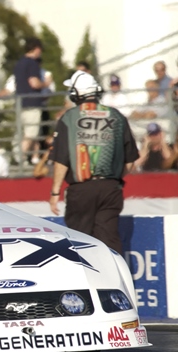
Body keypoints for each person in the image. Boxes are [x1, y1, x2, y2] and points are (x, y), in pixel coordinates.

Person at [49, 71, 139, 255]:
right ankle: (114, 281)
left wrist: (55, 191)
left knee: (79, 243)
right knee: (110, 242)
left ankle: (85, 281)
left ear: (76, 93)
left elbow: (61, 160)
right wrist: (111, 178)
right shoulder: (117, 116)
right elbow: (130, 163)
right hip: (110, 188)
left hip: (81, 190)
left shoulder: (69, 118)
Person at [14, 37, 49, 164]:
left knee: (32, 132)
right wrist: (46, 83)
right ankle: (20, 159)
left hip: (21, 103)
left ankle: (35, 159)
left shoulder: (19, 63)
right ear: (37, 49)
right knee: (31, 133)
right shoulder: (32, 63)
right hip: (32, 103)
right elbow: (34, 83)